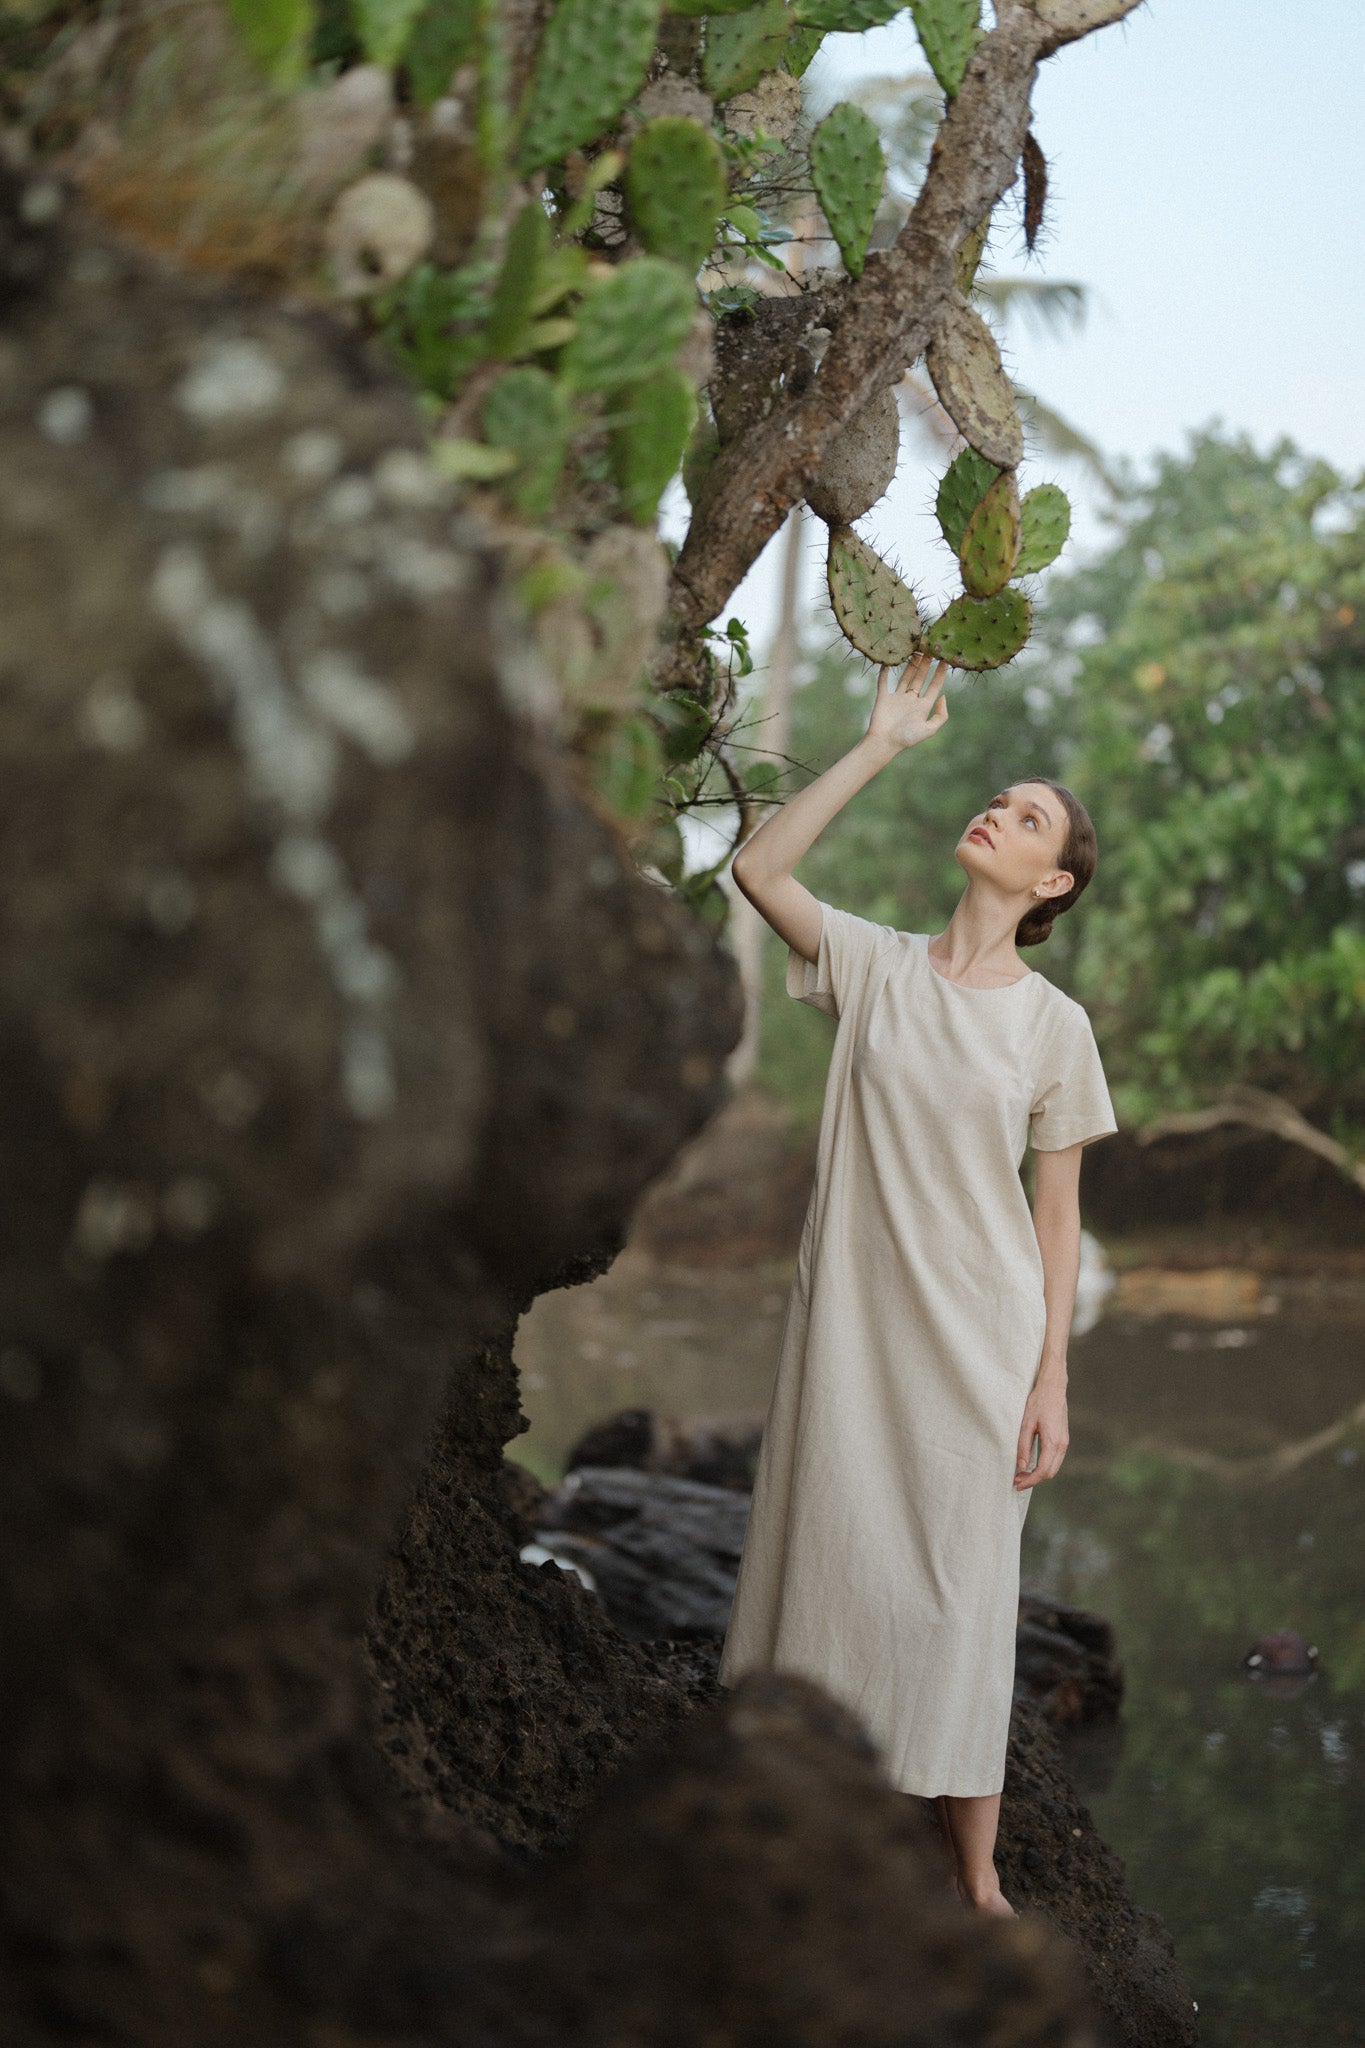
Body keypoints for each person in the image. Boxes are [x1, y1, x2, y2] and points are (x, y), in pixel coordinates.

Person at [716, 648, 1118, 1917]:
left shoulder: (1055, 1026)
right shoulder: (877, 966)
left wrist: (1052, 1373)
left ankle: (977, 1875)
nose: (997, 808)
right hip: (854, 1336)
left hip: (983, 1344)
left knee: (962, 1593)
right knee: (822, 1553)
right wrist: (883, 739)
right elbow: (757, 870)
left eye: (1030, 813)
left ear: (1050, 880)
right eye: (997, 794)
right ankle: (792, 1814)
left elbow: (1057, 1217)